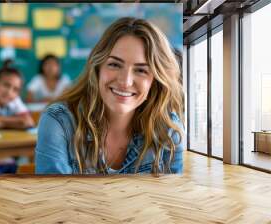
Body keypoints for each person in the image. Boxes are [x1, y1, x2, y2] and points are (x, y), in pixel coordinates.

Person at [35, 17, 185, 175]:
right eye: (114, 64)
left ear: (155, 80)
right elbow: (54, 197)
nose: (125, 82)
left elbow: (172, 198)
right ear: (97, 68)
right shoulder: (59, 121)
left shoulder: (169, 130)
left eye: (141, 70)